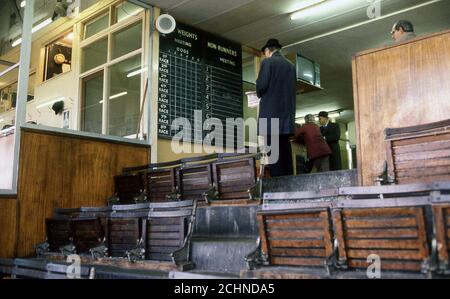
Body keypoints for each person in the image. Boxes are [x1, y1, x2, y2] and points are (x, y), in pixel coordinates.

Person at [256, 38, 296, 177]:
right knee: (285, 154)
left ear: (268, 51)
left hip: (271, 118)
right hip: (286, 118)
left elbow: (261, 87)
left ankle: (280, 189)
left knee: (274, 156)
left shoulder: (268, 62)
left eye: (264, 53)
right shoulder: (291, 66)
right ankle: (290, 184)